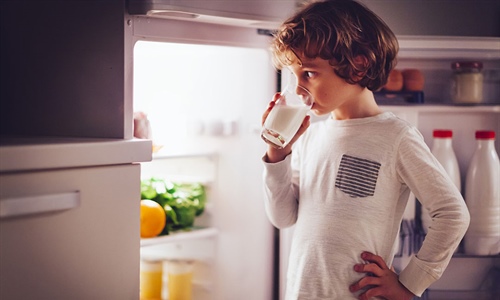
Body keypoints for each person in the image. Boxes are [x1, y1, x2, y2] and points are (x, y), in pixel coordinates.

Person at [260, 0, 470, 299]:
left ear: (358, 66)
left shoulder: (395, 136)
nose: (297, 88)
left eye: (308, 73)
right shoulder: (310, 136)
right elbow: (283, 217)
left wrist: (410, 283)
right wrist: (276, 154)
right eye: (294, 75)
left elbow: (452, 213)